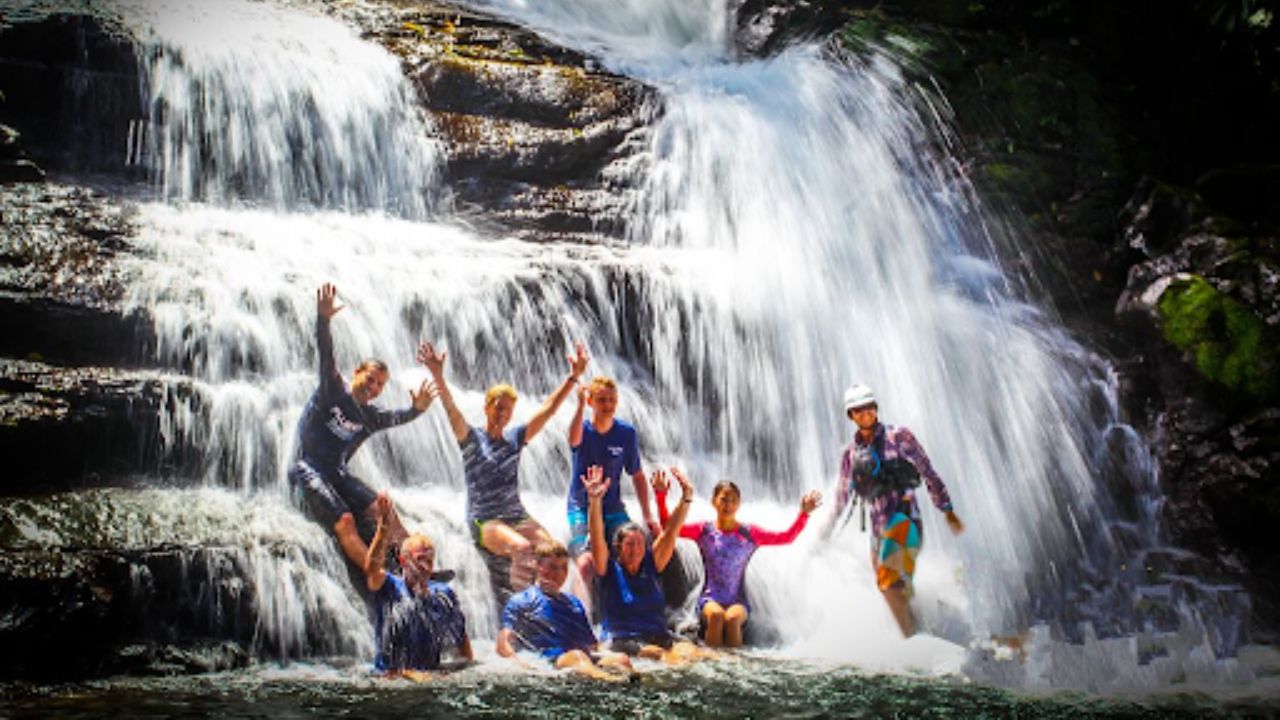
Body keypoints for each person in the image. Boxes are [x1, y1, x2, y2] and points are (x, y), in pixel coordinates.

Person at [417, 339, 588, 592]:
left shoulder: (515, 439)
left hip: (516, 515)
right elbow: (451, 408)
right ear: (487, 408)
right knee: (522, 548)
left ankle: (552, 605)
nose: (502, 414)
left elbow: (548, 409)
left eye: (508, 410)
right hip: (485, 520)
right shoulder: (471, 438)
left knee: (553, 552)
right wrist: (437, 376)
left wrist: (573, 378)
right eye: (498, 408)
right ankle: (524, 610)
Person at [288, 282, 438, 571]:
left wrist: (418, 409)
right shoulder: (333, 388)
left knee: (386, 512)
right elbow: (325, 351)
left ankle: (416, 568)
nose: (373, 388)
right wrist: (324, 319)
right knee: (345, 521)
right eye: (369, 379)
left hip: (336, 473)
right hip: (305, 468)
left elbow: (401, 417)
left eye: (380, 385)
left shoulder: (372, 416)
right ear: (356, 372)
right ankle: (376, 574)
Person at [825, 384, 964, 637]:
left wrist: (947, 509)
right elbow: (842, 496)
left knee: (890, 584)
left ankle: (911, 645)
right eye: (858, 409)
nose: (865, 413)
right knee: (891, 588)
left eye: (869, 407)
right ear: (850, 415)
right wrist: (824, 533)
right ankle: (928, 629)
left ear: (876, 408)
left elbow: (927, 471)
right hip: (878, 531)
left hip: (905, 520)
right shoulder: (849, 453)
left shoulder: (899, 436)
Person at [654, 476, 822, 648]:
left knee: (732, 618)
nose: (728, 505)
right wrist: (660, 496)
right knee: (717, 616)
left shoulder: (749, 534)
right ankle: (712, 665)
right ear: (714, 502)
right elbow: (669, 527)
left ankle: (734, 669)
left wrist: (804, 514)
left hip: (738, 601)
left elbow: (787, 537)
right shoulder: (704, 530)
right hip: (709, 599)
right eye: (724, 500)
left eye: (733, 501)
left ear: (739, 504)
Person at [586, 465, 703, 663]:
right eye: (630, 544)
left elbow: (671, 531)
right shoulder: (608, 569)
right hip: (623, 639)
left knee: (694, 652)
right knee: (662, 656)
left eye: (640, 544)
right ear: (618, 548)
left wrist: (686, 498)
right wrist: (595, 501)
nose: (636, 549)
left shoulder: (651, 564)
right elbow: (597, 537)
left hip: (659, 636)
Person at [364, 494, 473, 680]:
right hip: (390, 681)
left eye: (429, 560)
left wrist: (467, 668)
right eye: (419, 559)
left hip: (429, 678)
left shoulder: (443, 594)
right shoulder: (389, 588)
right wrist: (383, 530)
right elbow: (372, 569)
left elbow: (461, 636)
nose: (425, 566)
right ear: (403, 560)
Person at [497, 540, 634, 681]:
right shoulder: (522, 601)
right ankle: (611, 681)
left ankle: (628, 684)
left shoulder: (573, 603)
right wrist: (519, 664)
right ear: (538, 566)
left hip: (583, 659)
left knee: (621, 659)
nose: (559, 573)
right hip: (549, 660)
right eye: (552, 567)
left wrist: (608, 654)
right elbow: (503, 641)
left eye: (564, 567)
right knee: (577, 656)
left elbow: (592, 645)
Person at [566, 376, 657, 588]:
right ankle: (581, 614)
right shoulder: (583, 430)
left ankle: (632, 606)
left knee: (635, 549)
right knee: (586, 564)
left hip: (613, 508)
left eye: (612, 400)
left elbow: (637, 476)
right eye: (601, 400)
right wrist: (579, 404)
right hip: (581, 507)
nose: (608, 406)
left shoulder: (626, 433)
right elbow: (573, 439)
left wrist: (647, 515)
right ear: (591, 402)